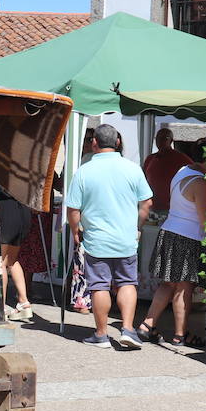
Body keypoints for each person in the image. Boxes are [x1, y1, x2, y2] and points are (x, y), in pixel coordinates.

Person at [65, 124, 153, 349]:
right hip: (125, 239)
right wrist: (137, 225)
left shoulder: (84, 170)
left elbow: (73, 209)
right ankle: (128, 329)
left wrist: (76, 230)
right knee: (127, 283)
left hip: (97, 239)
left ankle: (102, 334)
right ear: (118, 143)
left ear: (94, 143)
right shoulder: (132, 168)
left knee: (99, 286)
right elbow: (147, 202)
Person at [138, 144, 206, 348]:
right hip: (186, 238)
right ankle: (180, 335)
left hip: (169, 230)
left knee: (168, 284)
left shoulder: (182, 171)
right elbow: (204, 220)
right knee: (184, 288)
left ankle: (147, 324)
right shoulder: (200, 184)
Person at [0, 172, 45, 321]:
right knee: (12, 261)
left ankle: (0, 306)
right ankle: (24, 303)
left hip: (6, 213)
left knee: (0, 262)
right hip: (23, 214)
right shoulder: (24, 171)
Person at [142, 128, 194, 212]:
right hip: (151, 207)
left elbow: (195, 172)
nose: (160, 141)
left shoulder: (180, 158)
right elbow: (143, 180)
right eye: (158, 138)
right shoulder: (150, 158)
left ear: (171, 140)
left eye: (164, 138)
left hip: (172, 209)